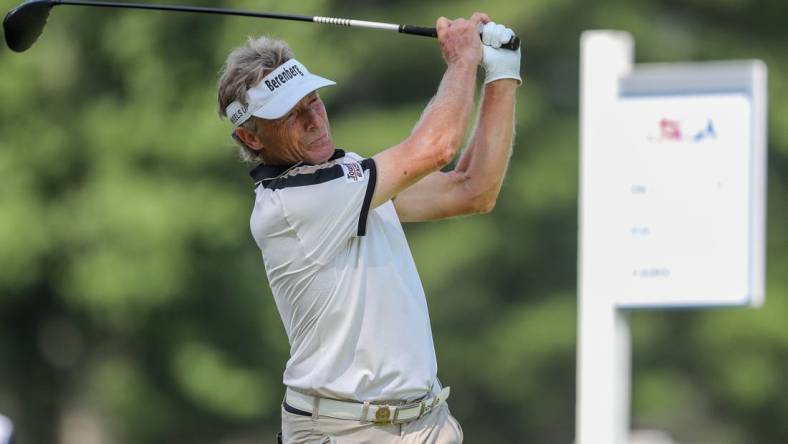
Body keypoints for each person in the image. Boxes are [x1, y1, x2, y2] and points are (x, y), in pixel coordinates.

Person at [216, 12, 520, 444]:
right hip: (345, 431)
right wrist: (462, 61)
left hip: (426, 422)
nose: (314, 119)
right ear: (251, 138)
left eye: (312, 100)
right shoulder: (292, 203)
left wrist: (503, 74)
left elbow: (473, 191)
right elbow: (436, 148)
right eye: (290, 114)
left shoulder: (346, 174)